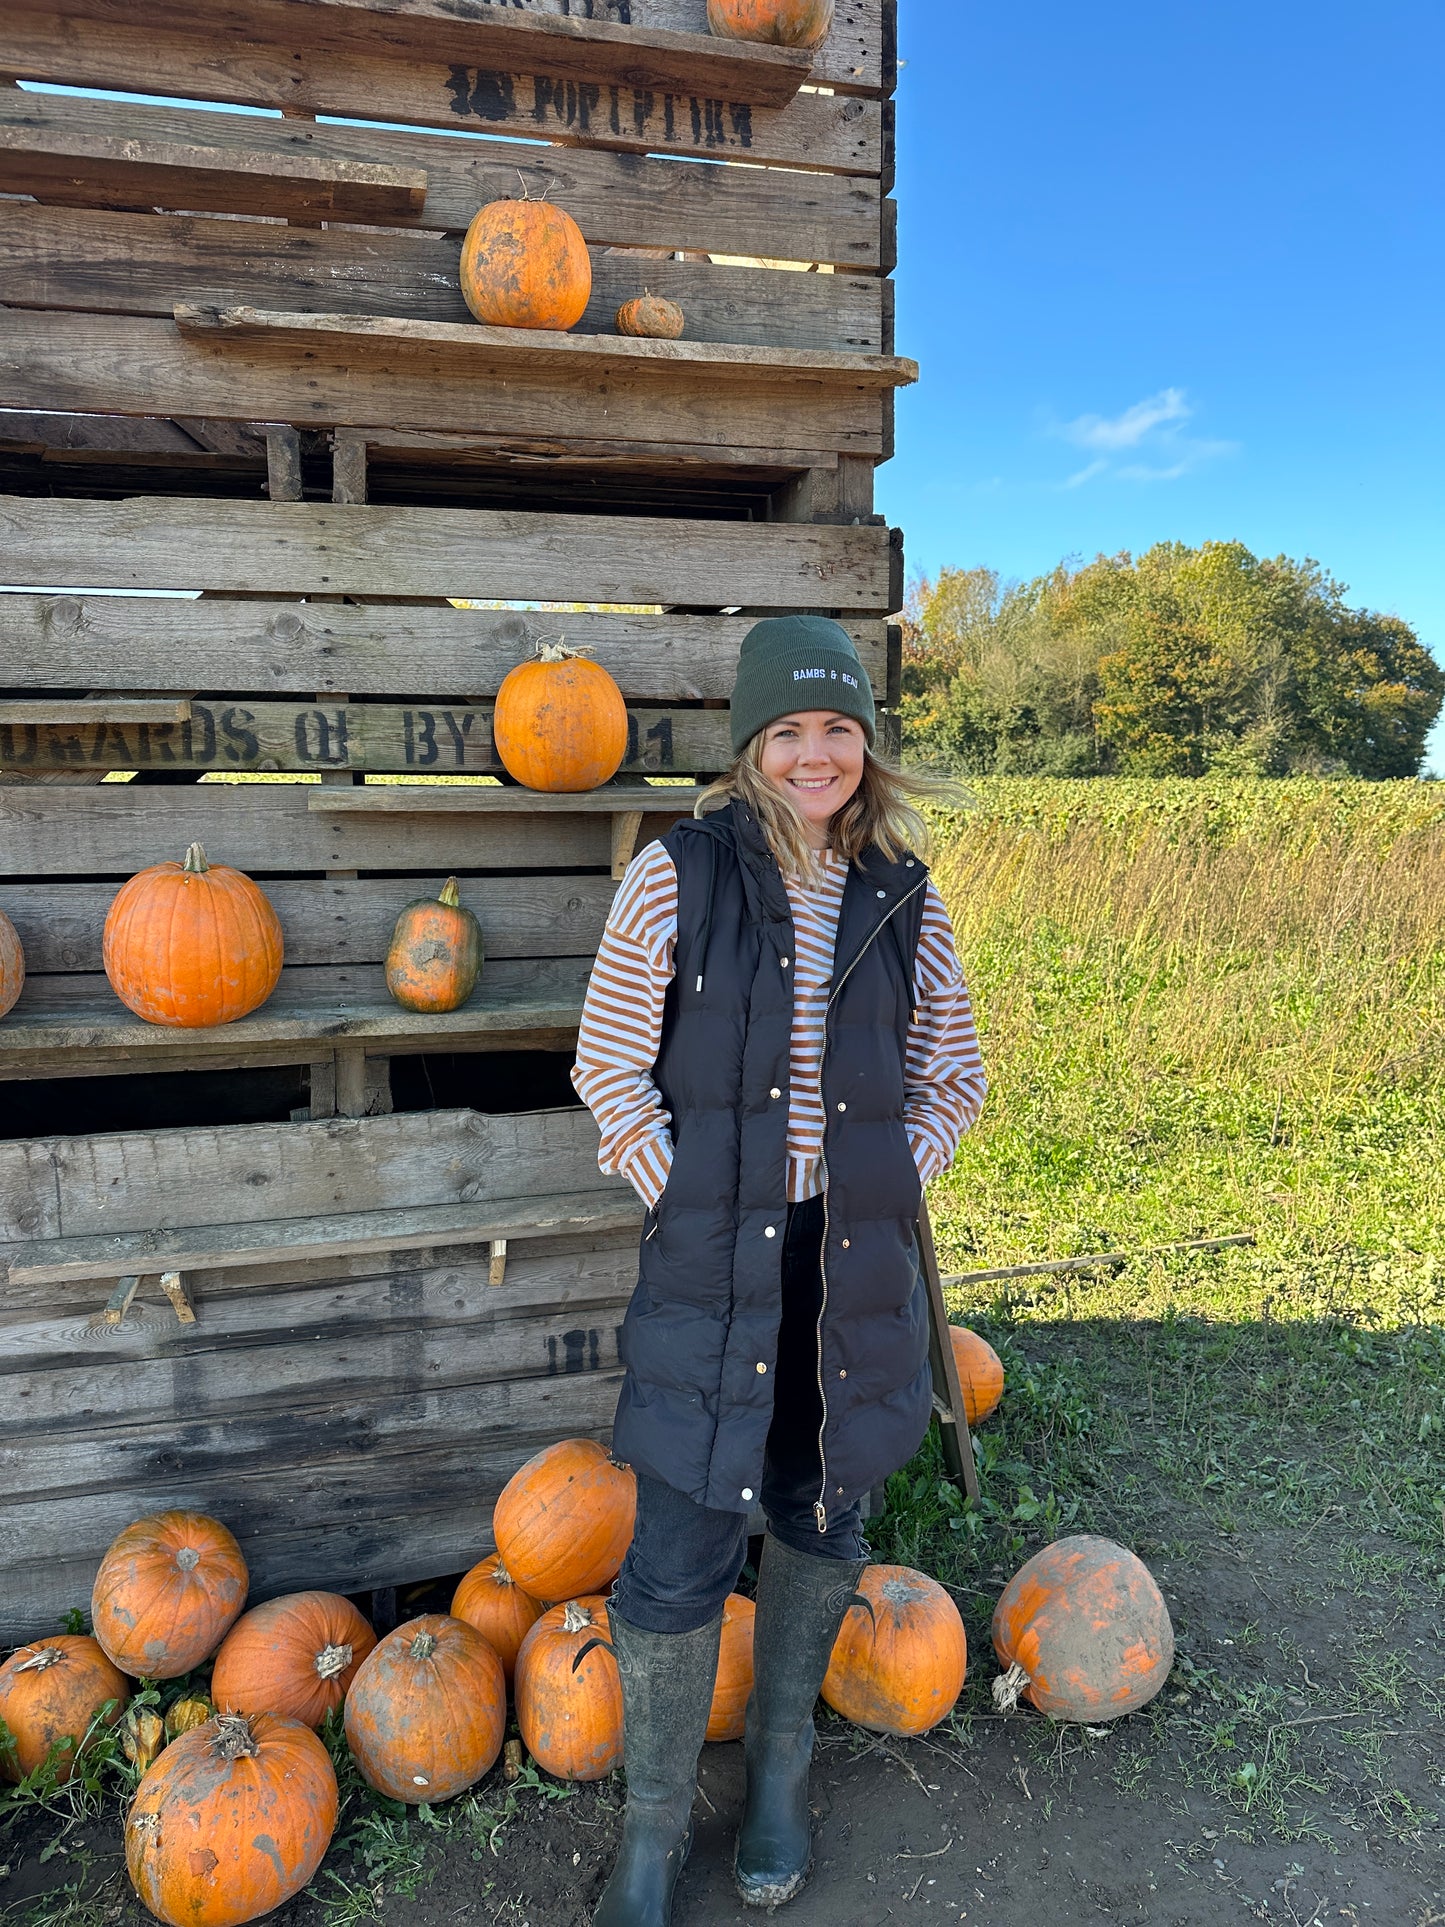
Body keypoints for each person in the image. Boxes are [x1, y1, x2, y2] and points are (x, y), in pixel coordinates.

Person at [571, 615, 987, 1924]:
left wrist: (883, 1177)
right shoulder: (673, 880)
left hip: (847, 1263)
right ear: (751, 746)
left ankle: (778, 1776)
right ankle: (649, 1831)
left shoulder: (902, 902)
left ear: (867, 742)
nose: (817, 754)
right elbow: (608, 1069)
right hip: (713, 1258)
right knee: (679, 1543)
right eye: (790, 730)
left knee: (820, 1512)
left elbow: (951, 1078)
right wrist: (685, 1196)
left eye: (839, 729)